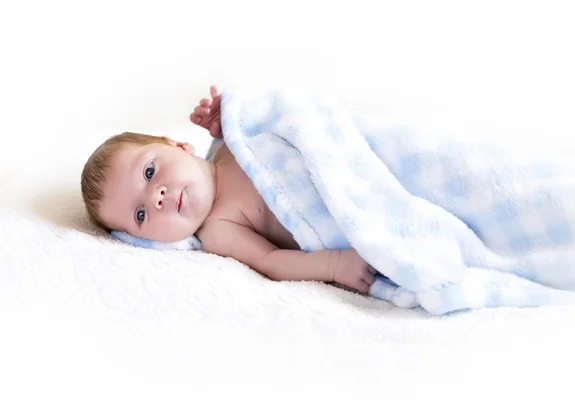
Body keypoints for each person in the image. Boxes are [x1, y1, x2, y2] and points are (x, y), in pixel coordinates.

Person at [81, 86, 376, 294]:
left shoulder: (230, 144)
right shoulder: (218, 229)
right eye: (141, 214)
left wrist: (230, 118)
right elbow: (271, 262)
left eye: (149, 172)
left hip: (353, 159)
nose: (156, 197)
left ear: (178, 145)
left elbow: (273, 118)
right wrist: (335, 265)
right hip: (355, 215)